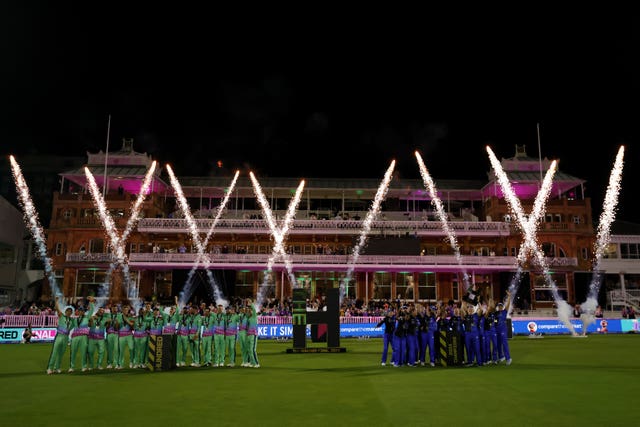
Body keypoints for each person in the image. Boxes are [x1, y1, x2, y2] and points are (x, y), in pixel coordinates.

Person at [46, 297, 73, 374]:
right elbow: (57, 309)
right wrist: (56, 301)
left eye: (70, 312)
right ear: (66, 312)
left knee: (61, 353)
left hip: (66, 337)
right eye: (68, 311)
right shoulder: (62, 316)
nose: (69, 313)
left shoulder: (72, 320)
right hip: (59, 336)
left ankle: (57, 367)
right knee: (54, 352)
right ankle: (50, 368)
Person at [495, 291, 512, 365]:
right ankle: (501, 357)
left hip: (503, 330)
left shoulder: (504, 312)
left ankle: (508, 358)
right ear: (498, 307)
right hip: (497, 330)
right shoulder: (496, 313)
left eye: (501, 306)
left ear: (502, 307)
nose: (500, 307)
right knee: (498, 344)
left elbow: (508, 305)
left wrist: (509, 296)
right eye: (499, 306)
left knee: (504, 344)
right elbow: (495, 322)